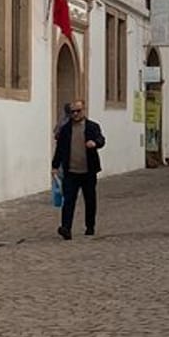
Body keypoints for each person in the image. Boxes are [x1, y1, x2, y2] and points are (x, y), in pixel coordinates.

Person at [52, 100, 105, 240]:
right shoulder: (65, 129)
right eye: (72, 112)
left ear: (84, 110)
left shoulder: (92, 127)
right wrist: (55, 166)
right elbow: (60, 149)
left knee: (90, 200)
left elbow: (101, 139)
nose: (75, 114)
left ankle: (90, 226)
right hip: (71, 171)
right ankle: (66, 228)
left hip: (88, 171)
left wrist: (95, 143)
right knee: (68, 200)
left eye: (78, 111)